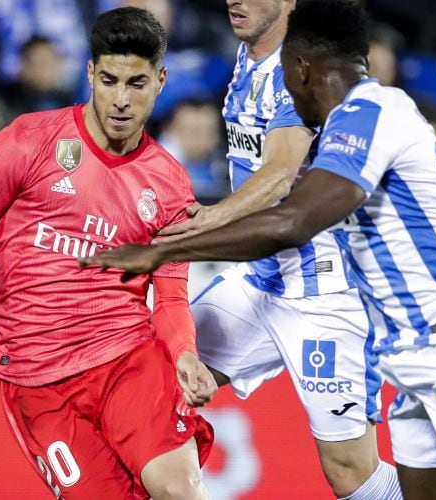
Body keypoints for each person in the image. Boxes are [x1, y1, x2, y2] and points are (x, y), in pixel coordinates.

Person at [81, 1, 436, 498]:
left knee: (352, 473)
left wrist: (180, 240)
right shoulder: (250, 64)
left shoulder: (368, 111)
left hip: (390, 312)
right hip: (288, 291)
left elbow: (288, 197)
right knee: (145, 377)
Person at [0, 8, 215, 498]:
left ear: (161, 80)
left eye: (137, 83)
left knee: (179, 489)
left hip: (127, 358)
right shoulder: (28, 141)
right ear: (89, 73)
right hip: (38, 382)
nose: (121, 100)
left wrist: (185, 354)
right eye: (109, 80)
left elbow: (169, 300)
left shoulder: (169, 183)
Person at [154, 0, 403, 498]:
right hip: (261, 280)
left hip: (326, 292)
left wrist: (207, 222)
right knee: (156, 379)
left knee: (350, 472)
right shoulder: (247, 60)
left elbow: (278, 174)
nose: (234, 0)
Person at [157, 98, 228, 198]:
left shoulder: (225, 165)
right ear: (170, 130)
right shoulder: (154, 169)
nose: (204, 139)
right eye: (194, 132)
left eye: (210, 130)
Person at [0, 36, 74, 117]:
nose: (46, 70)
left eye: (50, 62)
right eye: (40, 63)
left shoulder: (66, 100)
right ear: (24, 66)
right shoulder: (4, 99)